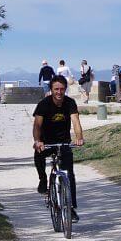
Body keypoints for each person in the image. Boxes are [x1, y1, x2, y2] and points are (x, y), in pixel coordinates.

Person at [33, 75, 84, 222]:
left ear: (65, 89)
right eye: (56, 89)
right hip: (46, 142)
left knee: (69, 174)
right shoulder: (43, 104)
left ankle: (71, 207)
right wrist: (37, 141)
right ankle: (43, 180)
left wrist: (79, 137)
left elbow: (75, 121)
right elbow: (37, 126)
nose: (59, 92)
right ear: (51, 90)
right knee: (38, 154)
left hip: (63, 142)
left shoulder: (70, 103)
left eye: (62, 89)